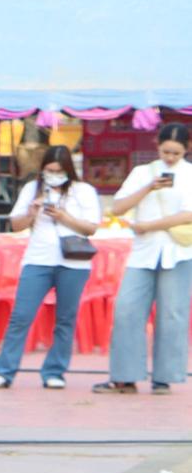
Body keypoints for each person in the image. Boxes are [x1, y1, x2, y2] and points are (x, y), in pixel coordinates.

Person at [0, 144, 101, 390]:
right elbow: (16, 225)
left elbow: (90, 227)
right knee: (21, 316)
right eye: (49, 170)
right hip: (38, 259)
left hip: (73, 262)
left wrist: (63, 216)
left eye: (59, 170)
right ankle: (3, 371)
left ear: (68, 170)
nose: (54, 175)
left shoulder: (83, 191)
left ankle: (55, 371)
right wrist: (32, 211)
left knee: (65, 318)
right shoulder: (32, 189)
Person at [96, 124, 192, 396]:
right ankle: (124, 377)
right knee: (127, 309)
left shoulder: (189, 175)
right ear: (157, 145)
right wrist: (148, 188)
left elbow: (188, 215)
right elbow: (118, 207)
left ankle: (165, 376)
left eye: (176, 152)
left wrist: (149, 225)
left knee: (173, 314)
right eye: (166, 151)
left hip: (178, 251)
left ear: (187, 149)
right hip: (143, 253)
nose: (170, 157)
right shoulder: (142, 173)